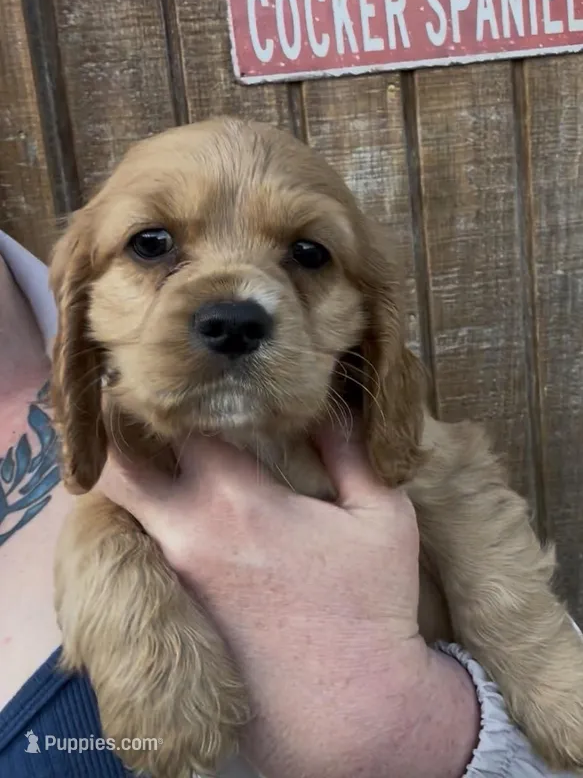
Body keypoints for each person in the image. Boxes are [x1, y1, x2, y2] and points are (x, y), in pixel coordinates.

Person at [0, 229, 575, 777]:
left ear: (374, 316)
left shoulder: (353, 421)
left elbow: (455, 486)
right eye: (153, 247)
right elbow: (103, 503)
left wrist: (525, 666)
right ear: (77, 300)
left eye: (306, 252)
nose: (229, 313)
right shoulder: (113, 422)